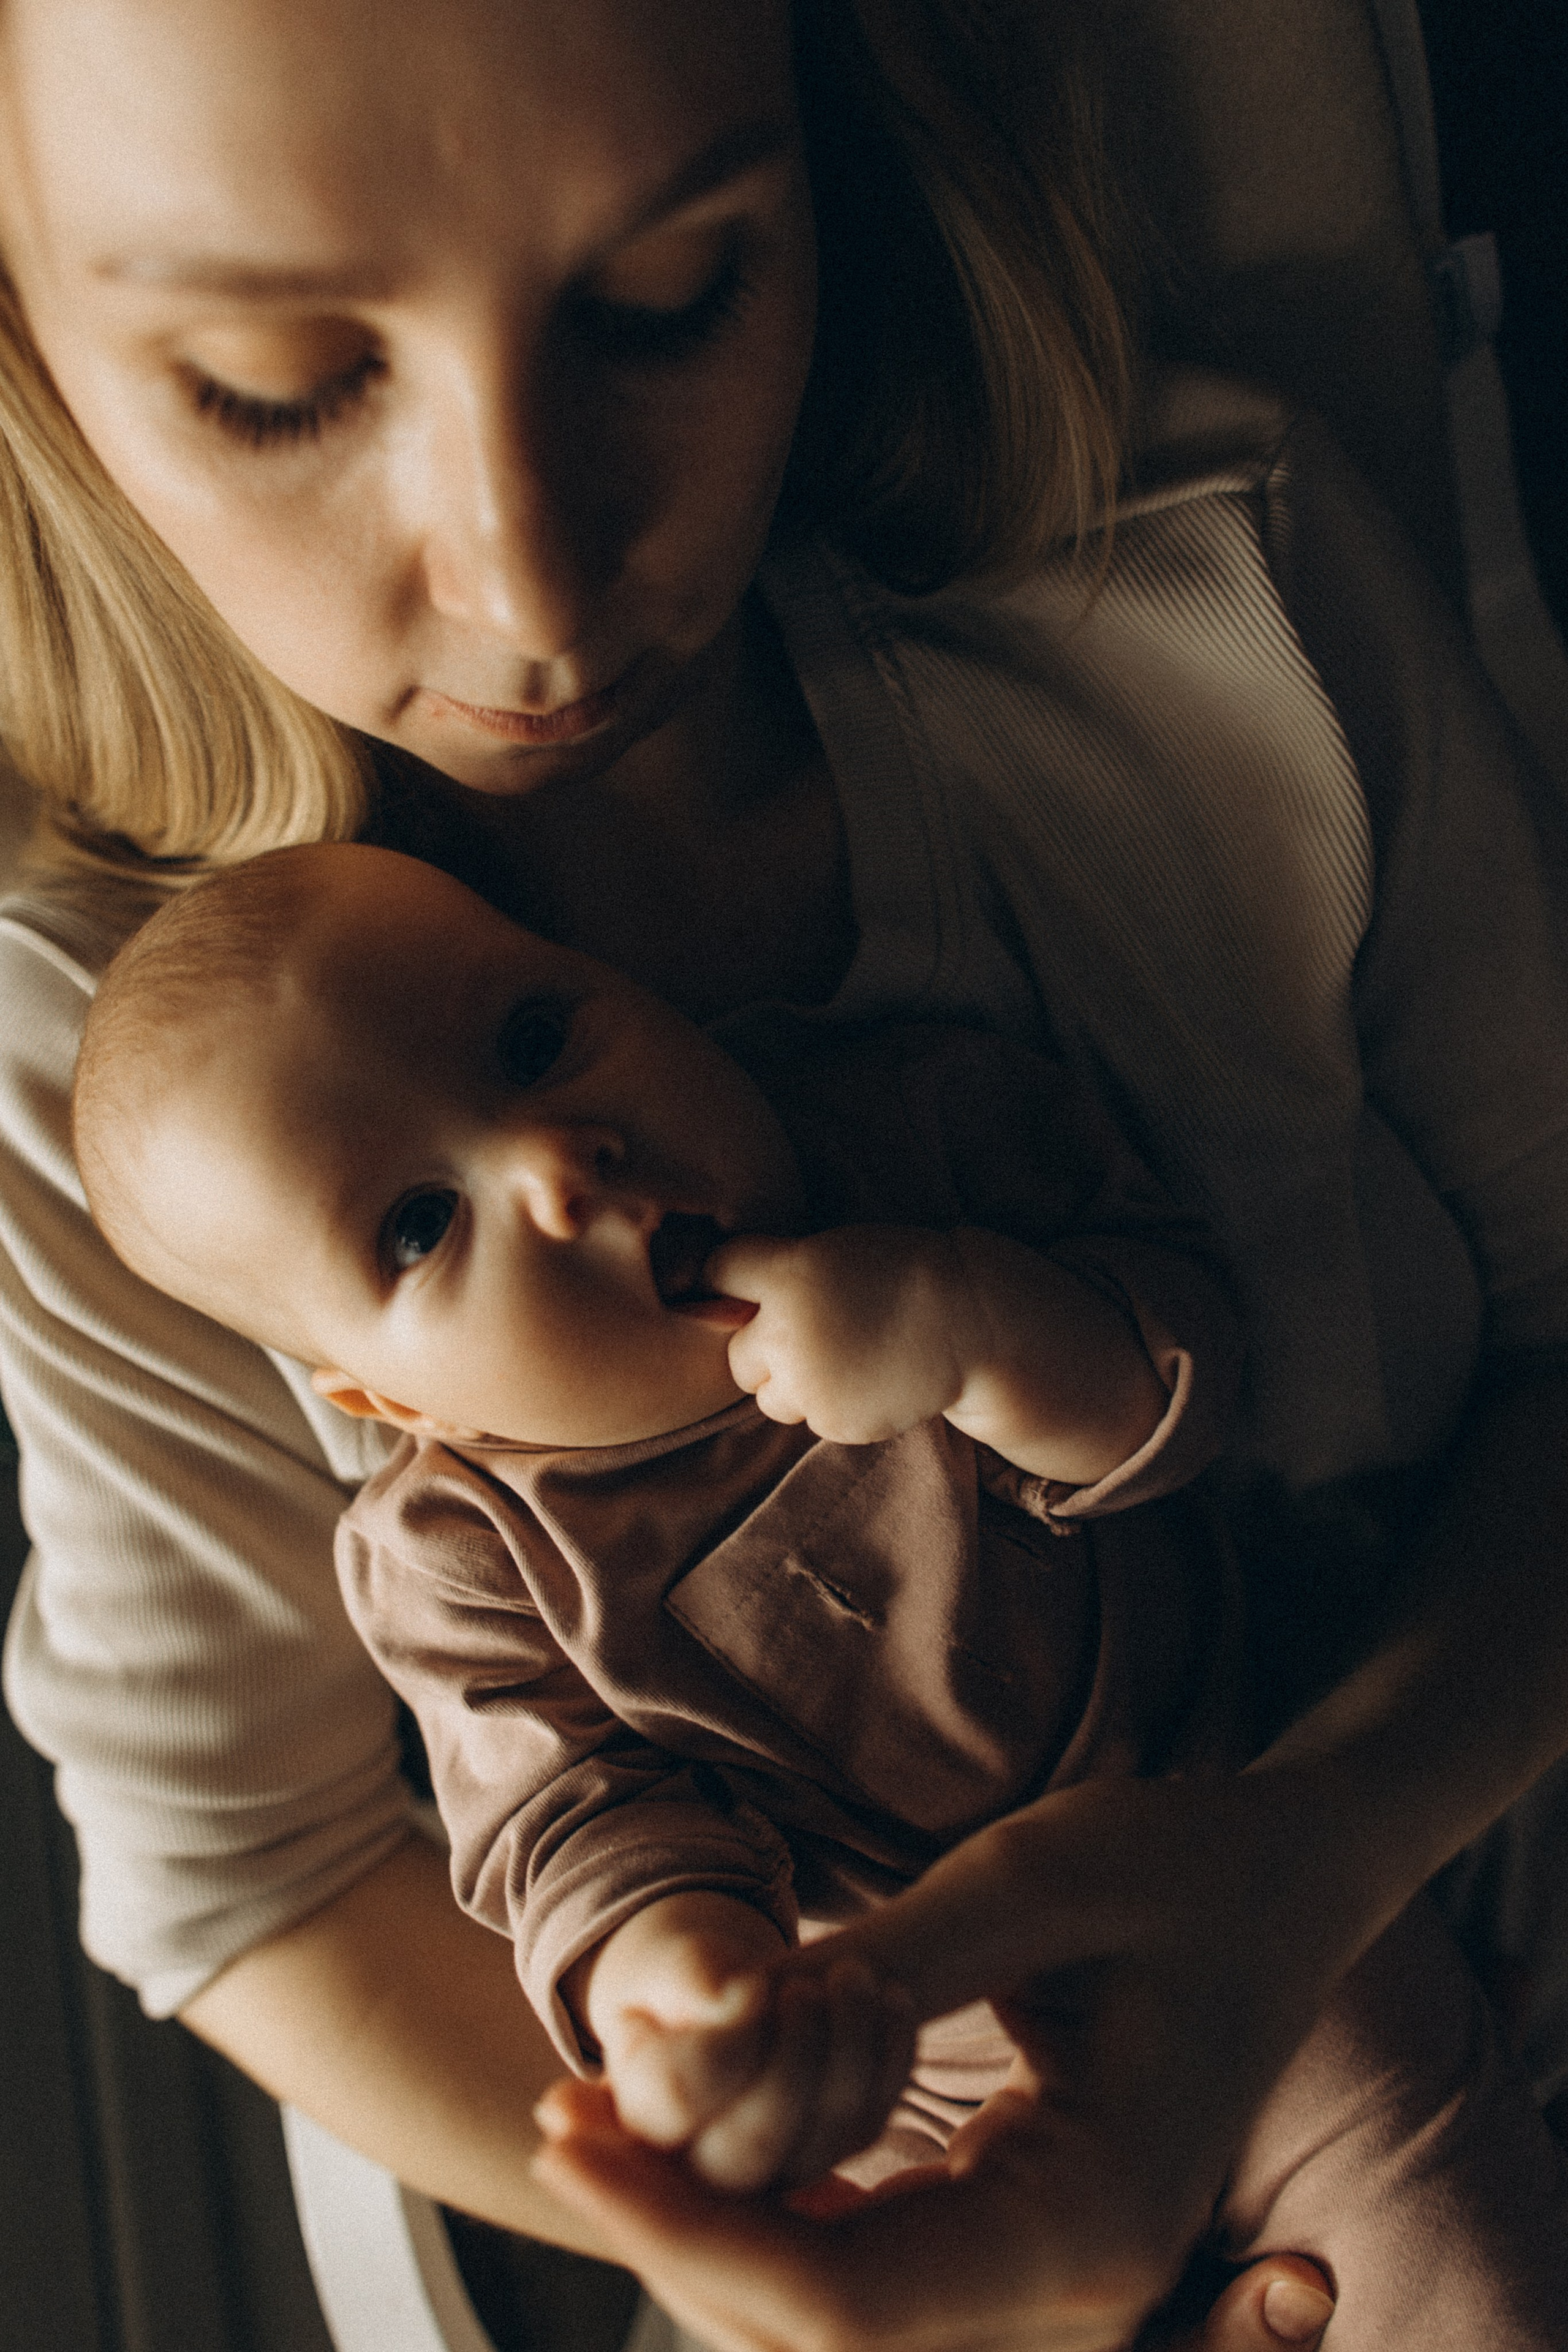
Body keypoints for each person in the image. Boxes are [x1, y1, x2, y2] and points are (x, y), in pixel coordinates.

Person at [0, 0, 1564, 2344]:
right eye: (273, 381)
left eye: (666, 304)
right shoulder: (99, 1100)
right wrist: (793, 2192)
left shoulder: (1215, 613)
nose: (533, 582)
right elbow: (259, 1873)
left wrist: (1308, 1865)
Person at [69, 841, 1568, 2352]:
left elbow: (1187, 1380)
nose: (552, 1162)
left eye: (534, 1039)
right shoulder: (461, 1559)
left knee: (1449, 2246)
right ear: (375, 1399)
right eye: (415, 1227)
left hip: (1234, 1899)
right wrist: (690, 1988)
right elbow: (571, 1825)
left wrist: (977, 1326)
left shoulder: (911, 1124)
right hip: (896, 2080)